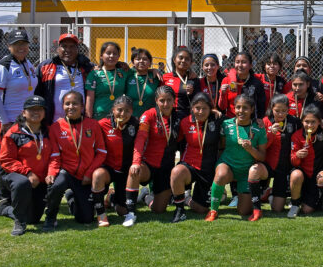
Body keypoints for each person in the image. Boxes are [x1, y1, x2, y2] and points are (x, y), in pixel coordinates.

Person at [0, 96, 59, 235]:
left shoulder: (49, 131)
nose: (36, 112)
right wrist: (28, 173)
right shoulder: (14, 132)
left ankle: (4, 209)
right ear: (24, 112)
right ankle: (19, 222)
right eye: (32, 109)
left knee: (33, 219)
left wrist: (51, 173)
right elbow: (6, 160)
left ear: (44, 112)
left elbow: (55, 156)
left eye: (40, 109)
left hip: (40, 180)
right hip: (17, 176)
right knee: (22, 183)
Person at [0, 30, 38, 209]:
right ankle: (5, 198)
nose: (21, 47)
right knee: (6, 159)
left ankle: (21, 193)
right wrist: (6, 121)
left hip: (26, 121)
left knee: (24, 157)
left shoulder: (28, 63)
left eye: (24, 44)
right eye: (17, 44)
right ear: (9, 46)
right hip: (8, 121)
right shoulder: (4, 66)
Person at [45, 91, 107, 229]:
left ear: (82, 106)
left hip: (84, 177)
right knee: (56, 184)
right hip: (66, 172)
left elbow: (102, 152)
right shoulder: (56, 127)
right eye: (67, 104)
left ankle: (72, 198)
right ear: (62, 106)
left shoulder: (93, 125)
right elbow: (54, 155)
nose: (71, 107)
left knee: (86, 219)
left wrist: (89, 173)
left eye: (75, 103)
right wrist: (51, 172)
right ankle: (50, 217)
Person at [125, 85, 183, 226]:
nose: (166, 104)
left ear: (174, 101)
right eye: (162, 100)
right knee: (134, 172)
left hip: (166, 167)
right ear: (156, 101)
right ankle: (131, 212)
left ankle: (145, 196)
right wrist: (136, 162)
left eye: (169, 100)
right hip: (148, 165)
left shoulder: (179, 117)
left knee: (159, 209)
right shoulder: (149, 114)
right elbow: (140, 139)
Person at [208, 94, 267, 221]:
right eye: (238, 107)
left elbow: (262, 157)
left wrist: (251, 149)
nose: (241, 111)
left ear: (252, 109)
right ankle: (213, 210)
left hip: (246, 171)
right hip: (228, 165)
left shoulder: (259, 127)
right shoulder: (226, 124)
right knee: (221, 174)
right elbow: (222, 145)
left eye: (245, 108)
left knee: (244, 211)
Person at [170, 93, 224, 223]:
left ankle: (187, 199)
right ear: (192, 108)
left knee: (201, 209)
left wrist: (260, 121)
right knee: (176, 172)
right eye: (197, 108)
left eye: (204, 108)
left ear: (210, 109)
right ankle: (179, 210)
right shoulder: (185, 122)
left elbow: (237, 122)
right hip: (189, 165)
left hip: (208, 169)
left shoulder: (217, 120)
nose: (200, 112)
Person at [91, 95, 139, 227]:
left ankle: (112, 198)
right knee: (98, 175)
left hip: (125, 171)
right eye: (119, 110)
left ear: (132, 112)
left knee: (122, 211)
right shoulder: (102, 124)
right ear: (113, 110)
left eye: (127, 111)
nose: (123, 114)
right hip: (109, 169)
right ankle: (101, 214)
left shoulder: (136, 124)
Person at [255, 94, 302, 214]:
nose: (280, 114)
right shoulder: (264, 122)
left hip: (283, 167)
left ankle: (271, 195)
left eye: (284, 111)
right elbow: (261, 147)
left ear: (288, 109)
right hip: (268, 165)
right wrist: (270, 133)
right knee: (254, 170)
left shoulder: (294, 122)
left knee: (277, 209)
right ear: (271, 108)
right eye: (277, 111)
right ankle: (259, 195)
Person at [36, 33, 94, 125]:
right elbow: (37, 92)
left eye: (72, 46)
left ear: (77, 49)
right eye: (64, 46)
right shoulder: (45, 66)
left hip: (81, 121)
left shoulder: (87, 66)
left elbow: (106, 68)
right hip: (54, 121)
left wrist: (120, 65)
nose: (68, 50)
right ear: (58, 49)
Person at [288, 105, 323, 217]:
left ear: (319, 122)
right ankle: (295, 204)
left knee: (307, 210)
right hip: (302, 175)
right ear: (302, 121)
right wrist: (297, 155)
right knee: (295, 175)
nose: (310, 125)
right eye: (307, 122)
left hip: (316, 176)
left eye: (313, 122)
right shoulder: (296, 135)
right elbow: (293, 162)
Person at [86, 42, 129, 120]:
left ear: (118, 56)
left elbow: (140, 72)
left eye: (115, 53)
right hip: (98, 117)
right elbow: (90, 99)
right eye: (108, 53)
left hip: (118, 118)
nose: (111, 56)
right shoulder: (94, 74)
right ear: (101, 56)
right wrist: (88, 119)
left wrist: (153, 70)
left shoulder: (124, 72)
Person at [218, 51, 266, 121]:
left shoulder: (257, 83)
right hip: (232, 121)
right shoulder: (227, 81)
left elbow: (261, 107)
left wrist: (260, 120)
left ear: (250, 65)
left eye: (244, 62)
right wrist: (222, 93)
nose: (240, 65)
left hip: (250, 122)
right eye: (237, 62)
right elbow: (222, 107)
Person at [162, 46, 200, 118]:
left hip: (187, 116)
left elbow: (198, 100)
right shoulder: (165, 77)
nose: (183, 61)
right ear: (174, 60)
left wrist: (192, 93)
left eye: (187, 59)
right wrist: (153, 70)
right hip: (168, 115)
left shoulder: (194, 79)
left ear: (191, 63)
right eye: (181, 58)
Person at [126, 48, 161, 118]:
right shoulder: (128, 76)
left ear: (150, 62)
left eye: (145, 59)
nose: (141, 61)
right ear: (133, 62)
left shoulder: (156, 77)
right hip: (130, 118)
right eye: (138, 59)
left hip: (151, 118)